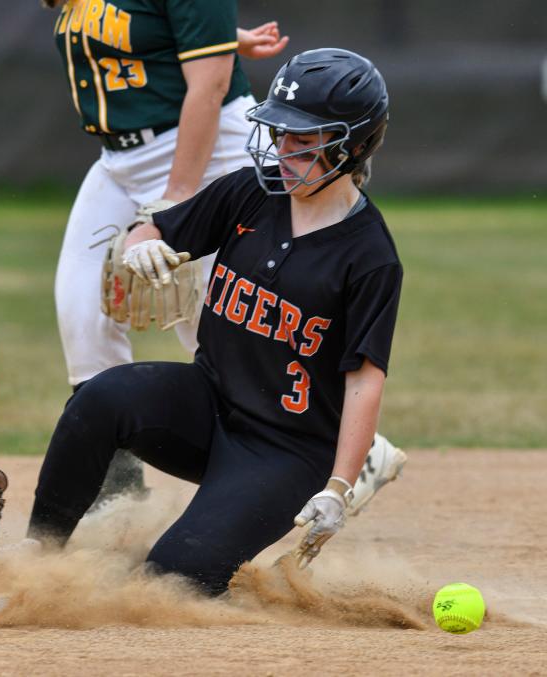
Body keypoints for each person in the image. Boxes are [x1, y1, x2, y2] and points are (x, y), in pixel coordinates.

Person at [27, 48, 402, 595]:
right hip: (208, 405)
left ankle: (228, 565)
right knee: (101, 396)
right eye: (280, 133)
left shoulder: (369, 255)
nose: (283, 149)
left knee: (168, 584)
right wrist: (141, 246)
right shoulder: (252, 192)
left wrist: (339, 486)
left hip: (285, 452)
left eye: (304, 140)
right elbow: (155, 228)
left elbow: (365, 377)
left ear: (353, 145)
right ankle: (38, 550)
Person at [44, 0, 295, 501]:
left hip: (205, 149)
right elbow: (124, 23)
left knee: (210, 328)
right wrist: (213, 36)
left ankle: (338, 451)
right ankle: (116, 496)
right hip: (119, 160)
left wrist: (177, 199)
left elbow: (210, 85)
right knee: (81, 310)